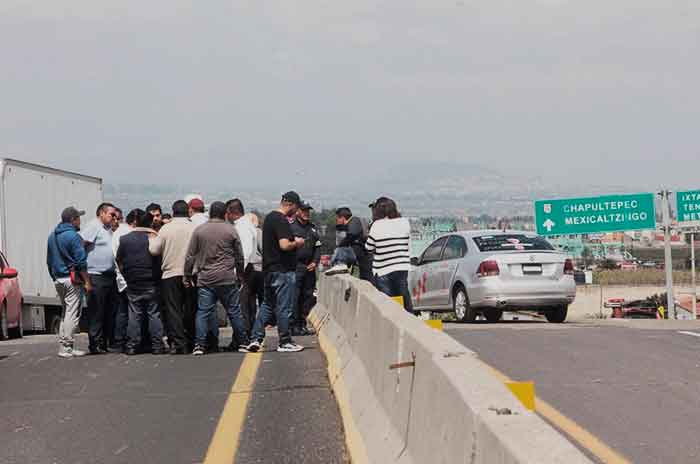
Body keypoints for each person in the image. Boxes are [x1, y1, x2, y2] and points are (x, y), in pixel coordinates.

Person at [184, 201, 248, 356]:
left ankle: (199, 344)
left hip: (206, 278)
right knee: (234, 311)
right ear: (225, 213)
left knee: (203, 312)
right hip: (226, 278)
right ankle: (242, 342)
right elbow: (239, 256)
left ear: (210, 213)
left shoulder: (200, 231)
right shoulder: (231, 230)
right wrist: (240, 275)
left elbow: (190, 256)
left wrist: (187, 275)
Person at [247, 192, 307, 353]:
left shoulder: (269, 218)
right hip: (283, 271)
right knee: (284, 307)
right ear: (291, 204)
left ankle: (255, 339)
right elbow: (284, 245)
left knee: (267, 305)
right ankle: (285, 341)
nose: (296, 211)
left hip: (269, 270)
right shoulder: (281, 220)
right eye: (296, 207)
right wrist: (298, 242)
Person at [149, 200, 197, 354]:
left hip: (170, 273)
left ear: (173, 211)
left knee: (173, 310)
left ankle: (179, 343)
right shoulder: (194, 228)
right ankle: (192, 340)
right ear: (188, 211)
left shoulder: (166, 229)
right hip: (191, 274)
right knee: (191, 309)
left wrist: (151, 238)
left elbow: (154, 250)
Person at [116, 210, 165, 355]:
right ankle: (157, 345)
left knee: (134, 314)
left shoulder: (125, 239)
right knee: (154, 313)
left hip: (133, 281)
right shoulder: (154, 238)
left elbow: (119, 260)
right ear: (149, 223)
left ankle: (132, 345)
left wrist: (126, 275)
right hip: (151, 280)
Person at [47, 207, 92, 358]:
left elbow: (49, 261)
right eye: (78, 218)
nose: (80, 220)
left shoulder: (52, 236)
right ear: (73, 220)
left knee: (66, 313)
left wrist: (54, 276)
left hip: (58, 279)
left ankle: (65, 346)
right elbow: (81, 262)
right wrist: (87, 281)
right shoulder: (73, 236)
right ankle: (66, 347)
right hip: (71, 280)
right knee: (72, 314)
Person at [80, 202, 118, 354]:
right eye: (111, 214)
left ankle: (104, 343)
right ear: (102, 213)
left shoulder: (108, 229)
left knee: (109, 311)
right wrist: (82, 270)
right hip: (96, 275)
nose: (114, 217)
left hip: (109, 275)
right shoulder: (93, 226)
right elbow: (80, 245)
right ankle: (94, 344)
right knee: (97, 311)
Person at [365, 197, 413, 313]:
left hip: (382, 269)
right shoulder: (404, 222)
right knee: (403, 295)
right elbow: (407, 243)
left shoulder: (376, 225)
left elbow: (368, 247)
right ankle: (409, 318)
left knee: (389, 303)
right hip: (402, 267)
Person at [225, 199, 259, 342]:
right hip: (249, 269)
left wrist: (237, 274)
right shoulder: (247, 224)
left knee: (242, 306)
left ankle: (242, 338)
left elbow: (244, 253)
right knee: (248, 305)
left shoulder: (242, 227)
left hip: (245, 270)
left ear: (232, 213)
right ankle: (247, 335)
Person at [290, 202, 321, 336]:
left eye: (308, 211)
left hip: (309, 267)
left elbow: (318, 247)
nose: (306, 213)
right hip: (296, 267)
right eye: (303, 211)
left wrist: (315, 261)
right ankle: (294, 325)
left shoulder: (312, 229)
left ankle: (302, 323)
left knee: (308, 297)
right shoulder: (291, 228)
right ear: (297, 212)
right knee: (295, 297)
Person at [111, 209, 135, 353]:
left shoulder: (115, 235)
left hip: (121, 278)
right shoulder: (126, 232)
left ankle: (120, 340)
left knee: (122, 311)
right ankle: (128, 340)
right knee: (132, 311)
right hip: (128, 278)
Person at [326, 207, 371, 280]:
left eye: (337, 219)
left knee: (339, 251)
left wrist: (342, 244)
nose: (336, 221)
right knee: (365, 277)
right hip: (360, 256)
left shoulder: (354, 220)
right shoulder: (352, 223)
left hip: (360, 252)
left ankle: (338, 265)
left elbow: (352, 234)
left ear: (342, 218)